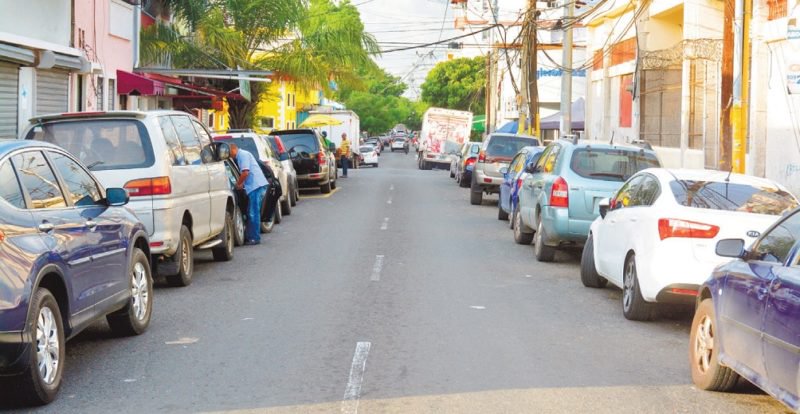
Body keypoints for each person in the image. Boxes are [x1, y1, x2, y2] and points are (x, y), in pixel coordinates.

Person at [231, 143, 269, 245]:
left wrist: (238, 184)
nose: (229, 155)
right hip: (255, 186)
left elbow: (245, 172)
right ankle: (250, 236)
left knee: (253, 213)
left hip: (256, 186)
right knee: (251, 212)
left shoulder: (242, 155)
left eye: (229, 153)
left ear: (233, 149)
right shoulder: (241, 155)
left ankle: (254, 238)